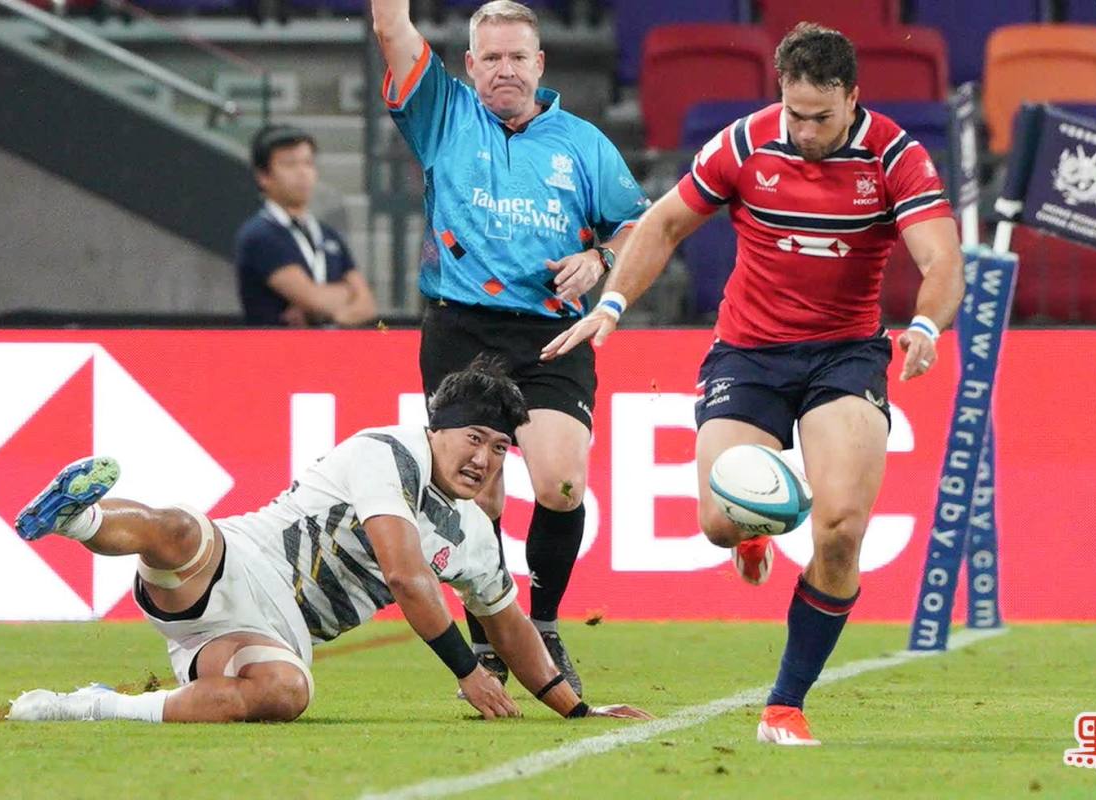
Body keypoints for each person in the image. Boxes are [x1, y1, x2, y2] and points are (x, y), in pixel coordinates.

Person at [543, 23, 964, 745]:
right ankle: (751, 536)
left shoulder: (896, 156)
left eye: (821, 117)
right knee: (719, 522)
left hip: (846, 355)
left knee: (841, 529)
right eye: (795, 113)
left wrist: (925, 326)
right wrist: (611, 305)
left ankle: (785, 705)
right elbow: (664, 224)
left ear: (852, 98)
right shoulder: (745, 142)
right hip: (748, 353)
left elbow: (942, 259)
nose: (805, 130)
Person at [6, 359, 650, 725]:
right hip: (238, 560)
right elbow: (406, 576)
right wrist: (468, 670)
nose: (484, 459)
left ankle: (95, 708)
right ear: (437, 429)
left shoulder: (477, 536)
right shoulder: (388, 452)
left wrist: (577, 711)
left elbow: (510, 627)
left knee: (286, 694)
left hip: (268, 635)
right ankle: (78, 519)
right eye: (474, 438)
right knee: (175, 531)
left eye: (500, 448)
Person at [370, 0, 651, 695]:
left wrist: (601, 258)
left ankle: (543, 625)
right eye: (490, 58)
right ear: (470, 65)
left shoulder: (583, 144)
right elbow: (390, 26)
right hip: (460, 326)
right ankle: (490, 637)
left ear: (539, 64)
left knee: (561, 482)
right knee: (477, 494)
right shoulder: (442, 114)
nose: (505, 70)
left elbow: (640, 227)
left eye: (517, 57)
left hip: (552, 331)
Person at [235, 124, 378, 327]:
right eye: (289, 164)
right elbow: (313, 299)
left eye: (308, 163)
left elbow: (368, 305)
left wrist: (333, 315)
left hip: (329, 344)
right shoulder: (259, 235)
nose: (302, 172)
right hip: (276, 346)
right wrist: (348, 294)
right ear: (263, 176)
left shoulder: (328, 234)